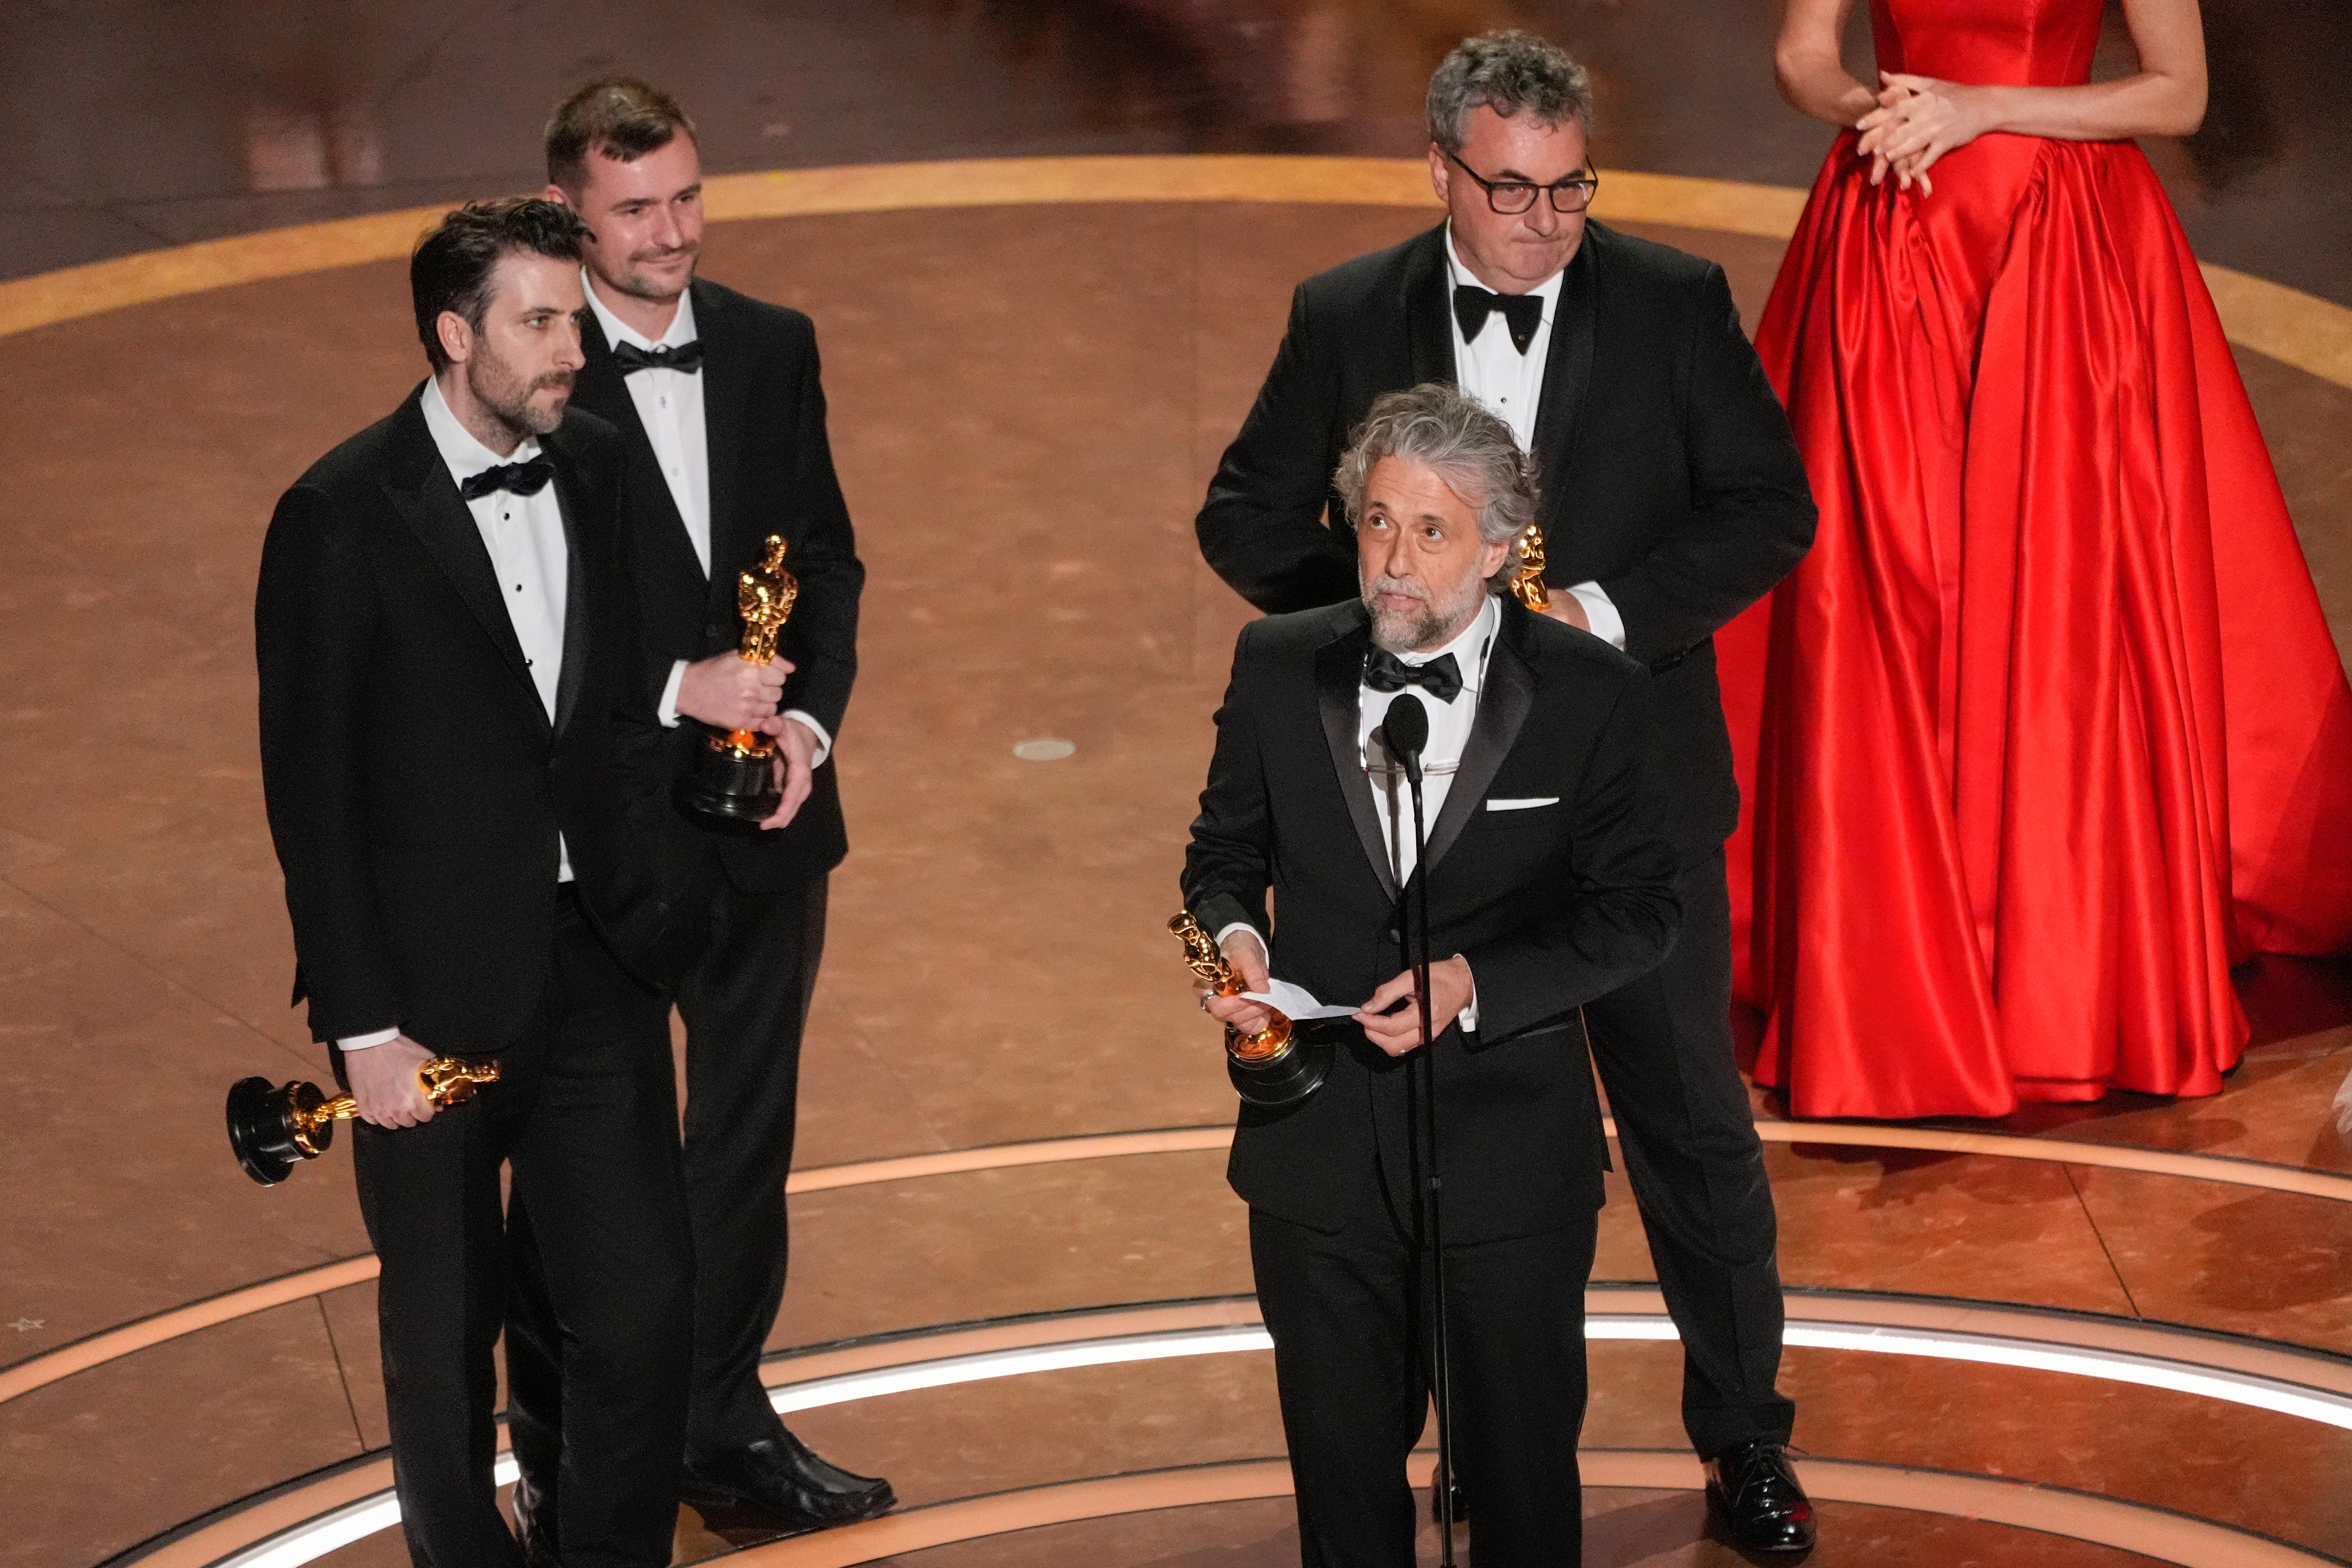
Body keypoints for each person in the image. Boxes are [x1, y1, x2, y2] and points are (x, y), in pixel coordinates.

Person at [1197, 30, 1819, 1551]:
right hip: (1427, 836)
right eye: (1513, 192)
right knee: (1454, 1149)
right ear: (1442, 173)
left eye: (1571, 190)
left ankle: (1745, 1436)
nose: (1546, 223)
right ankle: (1474, 1442)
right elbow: (1243, 513)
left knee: (1688, 1133)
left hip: (1631, 804)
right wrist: (1388, 628)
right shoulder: (1347, 314)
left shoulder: (1671, 304)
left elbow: (1770, 508)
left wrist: (1600, 618)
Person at [1722, 0, 2352, 1119]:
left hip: (2062, 247)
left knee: (2058, 607)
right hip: (1890, 232)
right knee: (1878, 595)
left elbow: (2180, 92)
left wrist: (1985, 110)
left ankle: (2051, 974)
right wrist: (1888, 114)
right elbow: (1800, 55)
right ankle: (1888, 956)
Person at [254, 197, 697, 1568]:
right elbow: (310, 795)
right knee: (442, 1344)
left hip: (594, 960)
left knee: (638, 1313)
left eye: (574, 317)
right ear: (457, 336)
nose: (576, 345)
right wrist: (364, 1026)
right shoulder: (339, 514)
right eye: (543, 322)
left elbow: (616, 702)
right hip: (429, 1006)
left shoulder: (603, 467)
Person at [1186, 384, 1680, 1567]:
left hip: (1510, 1157)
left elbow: (1642, 914)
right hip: (1318, 1160)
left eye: (1432, 531)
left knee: (1520, 1486)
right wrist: (1240, 949)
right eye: (1375, 522)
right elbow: (1222, 855)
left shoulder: (1591, 695)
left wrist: (1474, 980)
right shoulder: (1277, 664)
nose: (1393, 562)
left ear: (1502, 550)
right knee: (1344, 1489)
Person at [512, 78, 890, 1539]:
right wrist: (687, 686)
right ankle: (556, 1445)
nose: (669, 233)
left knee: (740, 1146)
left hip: (765, 824)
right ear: (564, 214)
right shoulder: (527, 370)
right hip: (593, 841)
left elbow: (830, 563)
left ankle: (720, 1428)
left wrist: (803, 722)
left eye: (684, 197)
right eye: (633, 210)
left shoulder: (772, 346)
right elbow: (519, 621)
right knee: (576, 1163)